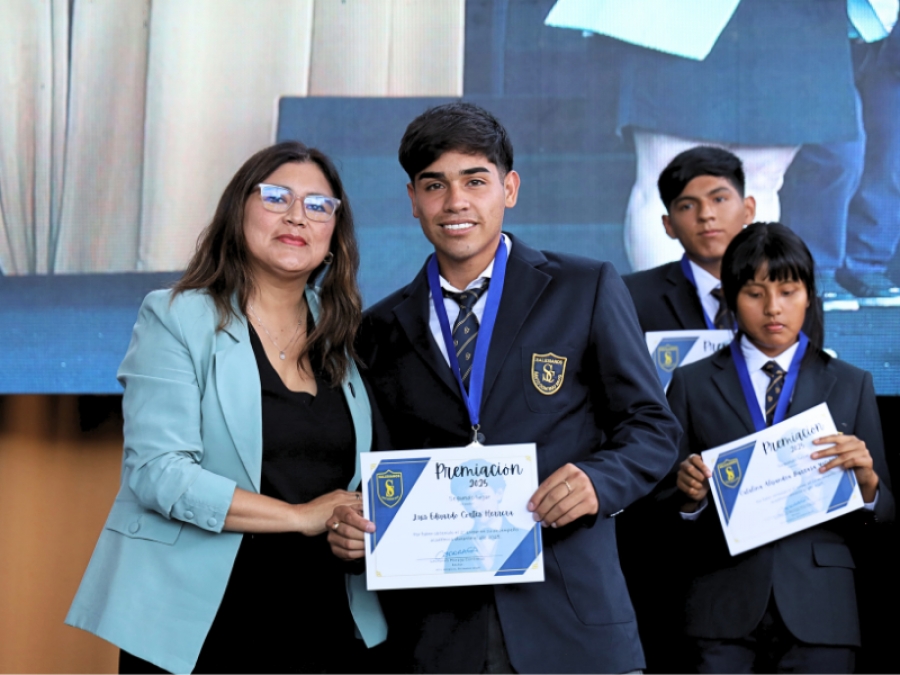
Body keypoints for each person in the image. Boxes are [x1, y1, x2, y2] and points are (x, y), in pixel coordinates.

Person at [327, 101, 681, 674]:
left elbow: (653, 426)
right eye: (434, 185)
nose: (455, 202)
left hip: (573, 624)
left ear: (509, 188)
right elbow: (377, 468)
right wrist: (356, 529)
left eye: (475, 181)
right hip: (439, 637)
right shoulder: (378, 330)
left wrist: (599, 480)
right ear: (413, 200)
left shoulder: (583, 287)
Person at [65, 141, 386, 674]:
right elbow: (158, 472)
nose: (296, 216)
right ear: (238, 211)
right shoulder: (176, 317)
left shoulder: (346, 334)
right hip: (200, 623)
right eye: (277, 197)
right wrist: (298, 517)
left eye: (318, 206)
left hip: (326, 617)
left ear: (334, 234)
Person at [667, 222, 894, 673]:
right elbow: (656, 509)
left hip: (822, 609)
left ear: (809, 296)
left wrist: (868, 486)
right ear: (731, 298)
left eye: (788, 292)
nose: (773, 308)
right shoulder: (692, 383)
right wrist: (688, 499)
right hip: (719, 603)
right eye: (755, 293)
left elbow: (887, 514)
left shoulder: (851, 383)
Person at [781, 2, 900, 299]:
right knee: (836, 154)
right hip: (813, 31)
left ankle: (866, 263)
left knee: (890, 155)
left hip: (890, 35)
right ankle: (814, 266)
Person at [624, 146, 756, 332]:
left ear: (748, 210)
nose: (706, 215)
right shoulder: (629, 297)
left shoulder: (791, 293)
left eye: (719, 199)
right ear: (669, 225)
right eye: (687, 206)